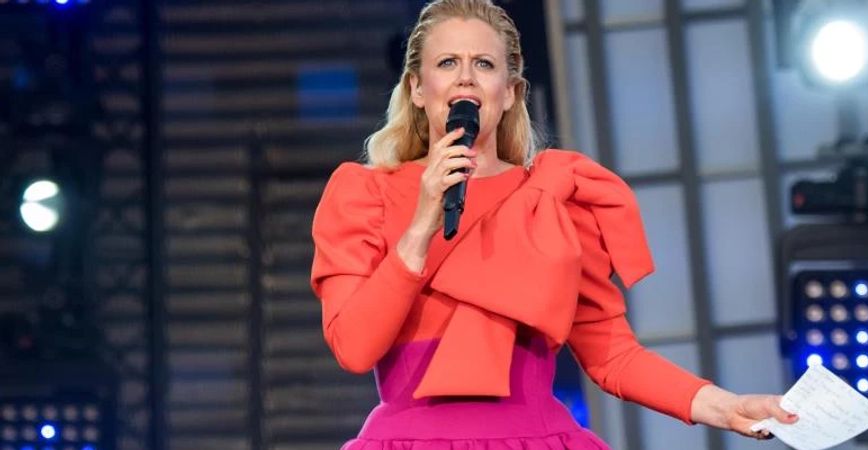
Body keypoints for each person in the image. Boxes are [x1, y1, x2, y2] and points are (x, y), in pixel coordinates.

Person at [310, 0, 799, 448]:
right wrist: (420, 224)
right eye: (446, 63)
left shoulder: (552, 199)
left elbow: (613, 356)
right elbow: (354, 348)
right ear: (417, 89)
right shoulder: (364, 194)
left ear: (510, 92)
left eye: (484, 64)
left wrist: (724, 405)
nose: (465, 80)